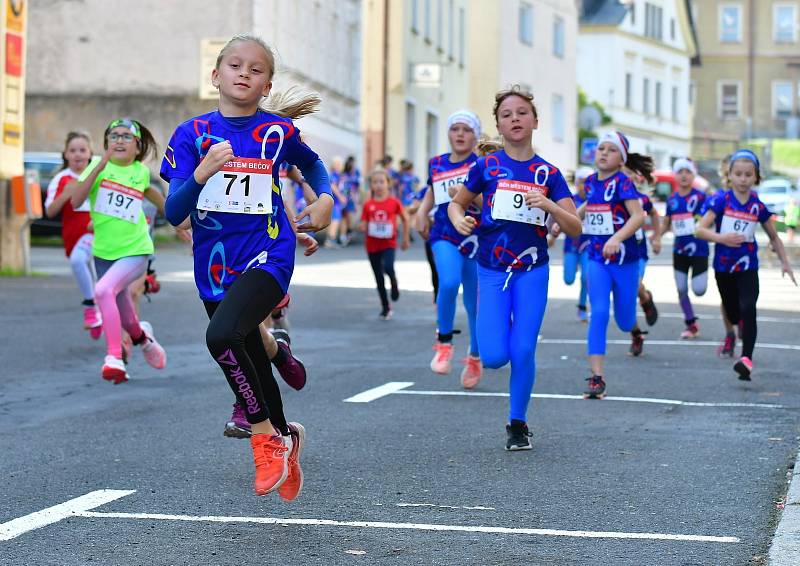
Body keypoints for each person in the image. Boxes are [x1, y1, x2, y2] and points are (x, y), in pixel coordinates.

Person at [161, 34, 333, 498]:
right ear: (215, 76)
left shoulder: (276, 133)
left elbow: (314, 167)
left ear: (266, 85)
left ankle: (263, 440)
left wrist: (326, 200)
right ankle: (284, 433)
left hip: (269, 253)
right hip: (214, 264)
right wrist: (201, 174)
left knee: (220, 336)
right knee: (250, 356)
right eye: (234, 65)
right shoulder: (191, 135)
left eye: (255, 70)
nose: (244, 73)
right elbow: (174, 213)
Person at [448, 86, 581, 450]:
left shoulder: (547, 173)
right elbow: (456, 204)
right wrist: (459, 218)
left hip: (532, 271)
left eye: (522, 112)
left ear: (535, 121)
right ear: (499, 126)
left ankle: (517, 423)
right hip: (491, 270)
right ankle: (500, 326)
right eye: (506, 115)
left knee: (522, 351)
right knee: (493, 357)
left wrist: (550, 206)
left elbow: (575, 226)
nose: (515, 119)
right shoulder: (485, 166)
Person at [69, 119, 167, 384]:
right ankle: (143, 340)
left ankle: (113, 357)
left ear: (138, 146)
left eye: (127, 136)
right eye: (114, 136)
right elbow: (76, 201)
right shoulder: (95, 168)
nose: (120, 140)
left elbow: (166, 206)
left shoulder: (141, 173)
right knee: (127, 317)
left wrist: (186, 223)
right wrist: (99, 165)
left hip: (136, 249)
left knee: (102, 290)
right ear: (106, 144)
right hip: (103, 252)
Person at [696, 149, 796, 380]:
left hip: (748, 267)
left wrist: (785, 263)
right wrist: (722, 238)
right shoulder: (721, 200)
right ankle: (736, 326)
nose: (743, 179)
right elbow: (699, 229)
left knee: (749, 308)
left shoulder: (757, 206)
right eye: (738, 174)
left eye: (748, 175)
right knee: (733, 313)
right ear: (729, 175)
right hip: (723, 268)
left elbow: (774, 237)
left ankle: (746, 360)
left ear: (756, 177)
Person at [415, 110, 483, 388]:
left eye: (466, 130)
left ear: (475, 135)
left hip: (477, 236)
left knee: (474, 302)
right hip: (444, 232)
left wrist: (467, 195)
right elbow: (432, 190)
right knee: (449, 281)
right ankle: (444, 342)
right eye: (455, 129)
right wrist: (421, 212)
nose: (460, 134)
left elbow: (489, 203)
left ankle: (475, 357)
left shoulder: (483, 164)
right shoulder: (437, 163)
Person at [579, 131, 649, 399]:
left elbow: (638, 216)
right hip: (597, 258)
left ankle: (635, 331)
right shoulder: (590, 182)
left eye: (610, 149)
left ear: (621, 159)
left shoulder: (623, 182)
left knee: (624, 320)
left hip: (624, 260)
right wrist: (560, 221)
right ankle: (597, 377)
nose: (603, 153)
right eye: (600, 149)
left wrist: (617, 238)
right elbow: (590, 204)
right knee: (597, 313)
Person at [44, 131, 102, 339]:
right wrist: (65, 194)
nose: (78, 154)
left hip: (97, 234)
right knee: (93, 275)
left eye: (82, 150)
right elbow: (50, 211)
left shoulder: (97, 174)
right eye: (73, 150)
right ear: (65, 154)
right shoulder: (61, 179)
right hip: (73, 237)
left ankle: (90, 308)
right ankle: (99, 315)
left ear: (90, 154)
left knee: (79, 261)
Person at [659, 158, 709, 339]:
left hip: (699, 250)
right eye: (680, 172)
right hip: (679, 250)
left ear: (693, 175)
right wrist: (657, 236)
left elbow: (710, 220)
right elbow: (666, 223)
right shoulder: (672, 199)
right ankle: (691, 323)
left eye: (687, 171)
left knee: (699, 289)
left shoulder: (701, 197)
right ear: (675, 175)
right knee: (681, 289)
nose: (684, 175)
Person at [360, 168, 410, 320]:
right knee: (378, 277)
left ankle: (394, 281)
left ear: (388, 184)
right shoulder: (368, 205)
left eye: (382, 182)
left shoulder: (394, 203)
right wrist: (362, 226)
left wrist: (406, 238)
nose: (379, 185)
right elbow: (363, 222)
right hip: (372, 245)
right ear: (371, 186)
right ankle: (385, 306)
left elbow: (406, 218)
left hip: (389, 243)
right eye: (375, 182)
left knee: (388, 267)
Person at [628, 180, 661, 356]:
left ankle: (645, 298)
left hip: (637, 251)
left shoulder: (641, 199)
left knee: (634, 286)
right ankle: (636, 333)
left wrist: (657, 237)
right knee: (624, 297)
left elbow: (654, 214)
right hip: (614, 254)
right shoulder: (606, 196)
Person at [561, 166, 593, 322]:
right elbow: (557, 215)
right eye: (581, 182)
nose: (584, 186)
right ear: (576, 183)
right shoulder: (570, 199)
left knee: (586, 277)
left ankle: (582, 306)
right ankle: (572, 268)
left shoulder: (595, 200)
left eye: (587, 182)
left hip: (589, 244)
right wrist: (553, 234)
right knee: (568, 280)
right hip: (572, 244)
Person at [324, 157, 348, 248]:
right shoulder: (333, 175)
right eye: (337, 164)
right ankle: (331, 240)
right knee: (335, 220)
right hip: (335, 202)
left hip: (337, 203)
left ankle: (330, 239)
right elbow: (333, 186)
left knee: (335, 220)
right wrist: (341, 197)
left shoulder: (339, 175)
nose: (338, 166)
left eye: (340, 164)